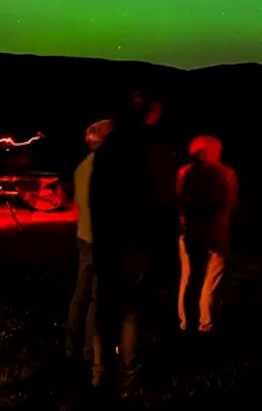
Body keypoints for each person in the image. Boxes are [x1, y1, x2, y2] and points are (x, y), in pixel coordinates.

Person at [88, 90, 176, 394]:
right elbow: (163, 202)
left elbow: (96, 200)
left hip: (107, 240)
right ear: (151, 114)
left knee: (104, 308)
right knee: (130, 312)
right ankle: (127, 375)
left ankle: (99, 372)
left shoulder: (107, 151)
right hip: (136, 243)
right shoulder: (155, 151)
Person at [66, 118, 114, 385]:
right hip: (102, 241)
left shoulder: (83, 166)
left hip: (84, 237)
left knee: (80, 293)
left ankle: (72, 349)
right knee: (98, 298)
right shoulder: (107, 169)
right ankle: (90, 354)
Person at [175, 135, 239, 333]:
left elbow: (178, 201)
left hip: (189, 232)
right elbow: (231, 202)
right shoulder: (226, 173)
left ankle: (186, 322)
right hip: (216, 233)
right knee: (210, 280)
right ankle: (206, 323)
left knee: (187, 278)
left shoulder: (184, 173)